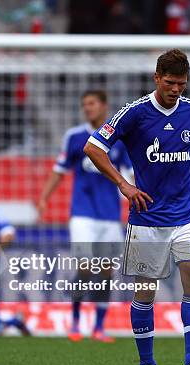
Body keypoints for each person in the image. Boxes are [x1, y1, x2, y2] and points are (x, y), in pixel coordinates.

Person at [84, 49, 190, 365]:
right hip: (148, 217)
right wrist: (124, 184)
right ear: (156, 78)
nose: (176, 89)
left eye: (182, 84)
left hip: (187, 214)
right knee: (146, 289)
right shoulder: (134, 113)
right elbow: (93, 147)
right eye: (171, 82)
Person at [38, 90, 132, 343]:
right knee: (85, 266)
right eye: (84, 104)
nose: (87, 108)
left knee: (105, 271)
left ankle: (99, 327)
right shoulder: (75, 137)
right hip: (82, 214)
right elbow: (59, 170)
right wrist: (44, 197)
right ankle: (76, 322)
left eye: (91, 104)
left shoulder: (118, 139)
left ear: (104, 105)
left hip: (110, 215)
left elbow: (129, 174)